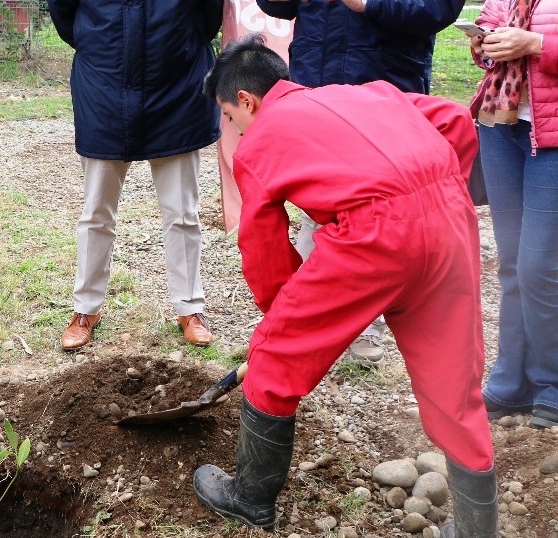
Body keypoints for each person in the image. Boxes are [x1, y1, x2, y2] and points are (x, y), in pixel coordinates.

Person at [193, 36, 497, 537]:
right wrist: (446, 188)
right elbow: (454, 121)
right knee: (453, 386)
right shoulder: (369, 92)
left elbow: (263, 245)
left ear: (245, 100)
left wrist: (281, 315)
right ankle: (476, 532)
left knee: (273, 358)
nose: (233, 127)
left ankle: (249, 499)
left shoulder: (261, 138)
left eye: (229, 115)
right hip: (450, 226)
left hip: (372, 236)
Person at [257, 0, 466, 366]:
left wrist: (369, 4)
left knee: (380, 206)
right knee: (318, 205)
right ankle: (307, 324)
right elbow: (278, 6)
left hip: (384, 82)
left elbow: (436, 10)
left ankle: (368, 326)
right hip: (317, 81)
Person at [47, 0, 223, 351]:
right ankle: (86, 309)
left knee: (182, 212)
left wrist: (180, 42)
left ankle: (190, 309)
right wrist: (98, 42)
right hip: (104, 84)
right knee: (96, 211)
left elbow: (208, 18)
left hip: (179, 86)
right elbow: (64, 13)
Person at [468, 0, 558, 428]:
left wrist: (537, 43)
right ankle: (511, 383)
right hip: (501, 126)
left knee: (539, 266)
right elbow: (487, 29)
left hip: (552, 139)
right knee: (511, 263)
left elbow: (538, 43)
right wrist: (485, 42)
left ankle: (552, 383)